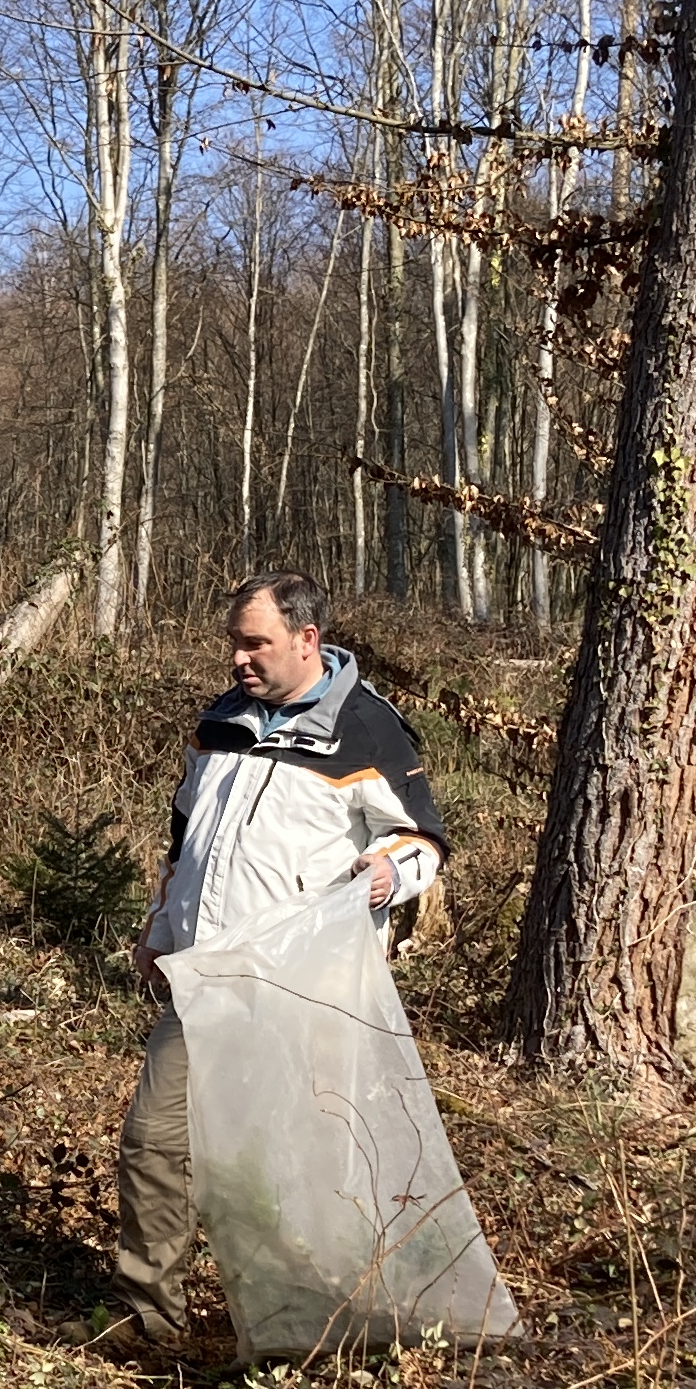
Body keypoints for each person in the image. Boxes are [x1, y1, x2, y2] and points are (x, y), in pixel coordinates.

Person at [114, 573, 447, 1349]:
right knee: (153, 1144)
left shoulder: (369, 730)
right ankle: (149, 1323)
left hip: (307, 987)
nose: (237, 657)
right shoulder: (221, 721)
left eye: (254, 642)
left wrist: (390, 873)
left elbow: (422, 840)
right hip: (206, 979)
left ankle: (313, 1327)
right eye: (233, 640)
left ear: (307, 641)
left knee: (299, 1167)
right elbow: (185, 843)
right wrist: (163, 931)